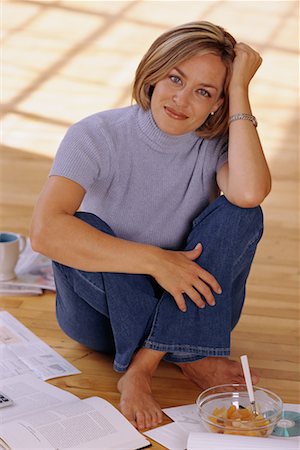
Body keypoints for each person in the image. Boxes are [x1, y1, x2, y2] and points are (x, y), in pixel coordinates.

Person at [30, 21, 271, 430]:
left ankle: (141, 367)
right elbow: (45, 232)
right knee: (80, 224)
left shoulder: (216, 147)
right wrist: (158, 262)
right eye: (175, 78)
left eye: (205, 91)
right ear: (154, 73)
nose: (181, 99)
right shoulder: (95, 135)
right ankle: (191, 354)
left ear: (218, 104)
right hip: (103, 316)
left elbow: (249, 194)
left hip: (191, 301)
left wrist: (240, 92)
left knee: (241, 213)